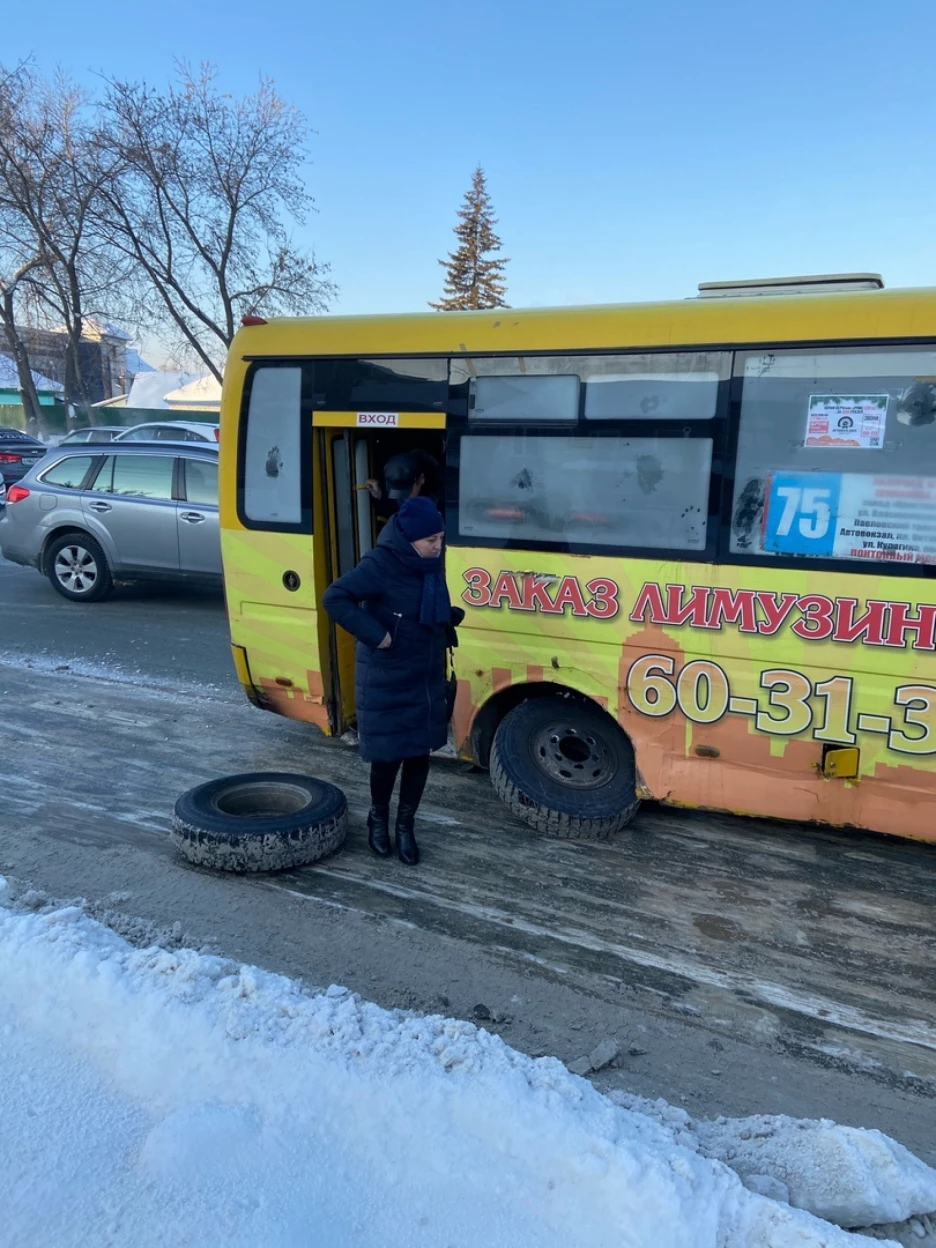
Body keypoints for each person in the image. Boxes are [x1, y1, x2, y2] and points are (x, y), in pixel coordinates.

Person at [322, 496, 463, 865]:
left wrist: (446, 616)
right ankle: (378, 818)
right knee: (387, 758)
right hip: (387, 675)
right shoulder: (380, 563)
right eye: (431, 539)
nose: (438, 545)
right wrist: (377, 634)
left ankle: (406, 826)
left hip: (424, 673)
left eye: (441, 537)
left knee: (418, 755)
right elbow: (335, 598)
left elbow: (418, 607)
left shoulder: (431, 563)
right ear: (410, 538)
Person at [364, 449, 442, 517]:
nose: (405, 498)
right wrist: (380, 495)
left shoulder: (440, 494)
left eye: (407, 492)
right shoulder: (399, 480)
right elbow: (396, 506)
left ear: (421, 479)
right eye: (399, 494)